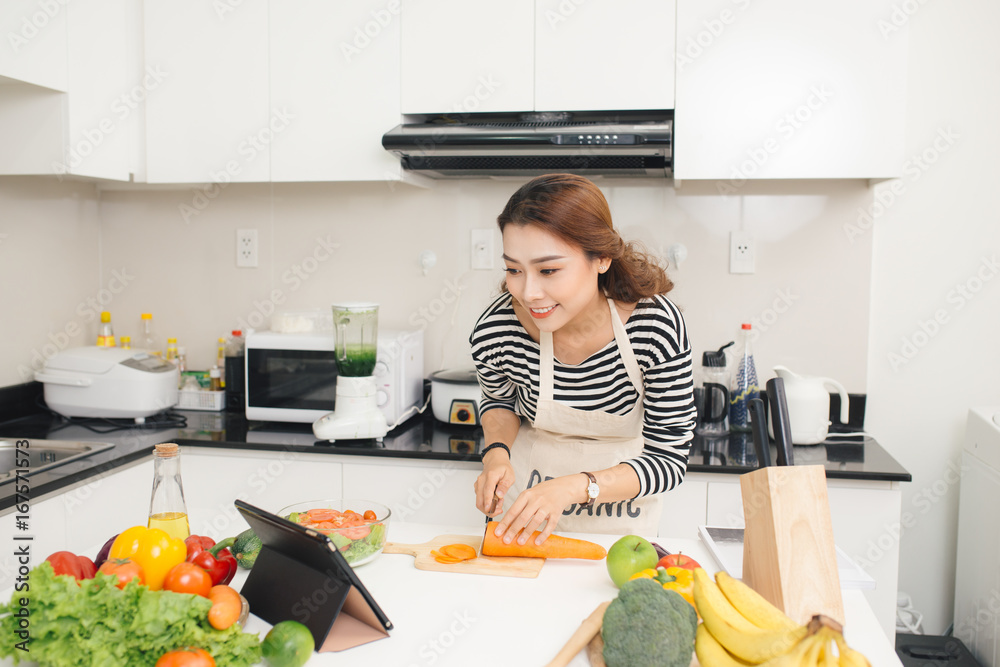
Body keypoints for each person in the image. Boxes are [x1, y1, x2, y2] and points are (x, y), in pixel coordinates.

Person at [470, 173, 696, 547]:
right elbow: (499, 400)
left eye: (548, 270)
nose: (528, 292)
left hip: (622, 524)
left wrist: (575, 487)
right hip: (521, 515)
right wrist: (495, 454)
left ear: (602, 258)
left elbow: (669, 459)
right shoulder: (497, 329)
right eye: (514, 270)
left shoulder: (655, 327)